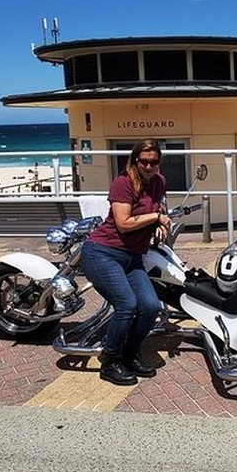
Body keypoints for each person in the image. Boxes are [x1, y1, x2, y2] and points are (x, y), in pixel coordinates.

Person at [80, 139, 171, 386]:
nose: (149, 167)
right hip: (103, 252)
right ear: (135, 160)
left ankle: (130, 355)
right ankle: (109, 361)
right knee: (127, 305)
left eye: (154, 162)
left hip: (132, 258)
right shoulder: (123, 183)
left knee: (151, 307)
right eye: (144, 162)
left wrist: (160, 224)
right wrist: (156, 217)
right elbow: (124, 222)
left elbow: (157, 207)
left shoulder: (159, 182)